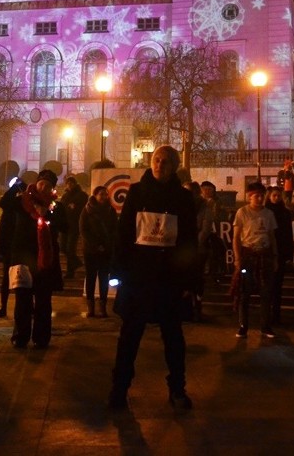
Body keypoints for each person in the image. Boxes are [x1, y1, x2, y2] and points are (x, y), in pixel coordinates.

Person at [108, 146, 198, 410]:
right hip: (139, 278)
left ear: (174, 166)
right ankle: (119, 388)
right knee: (129, 338)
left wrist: (188, 281)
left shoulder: (183, 199)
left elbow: (189, 241)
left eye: (166, 162)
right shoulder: (136, 193)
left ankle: (177, 389)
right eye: (157, 160)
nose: (160, 165)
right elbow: (123, 234)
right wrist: (118, 272)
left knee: (174, 340)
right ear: (150, 162)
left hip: (169, 280)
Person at [2, 169, 66, 349]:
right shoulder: (23, 202)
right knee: (22, 301)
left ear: (52, 188)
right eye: (41, 183)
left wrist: (52, 214)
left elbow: (65, 226)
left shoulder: (54, 207)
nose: (43, 186)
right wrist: (16, 186)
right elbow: (4, 203)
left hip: (44, 261)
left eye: (48, 185)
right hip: (22, 257)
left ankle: (41, 337)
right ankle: (20, 336)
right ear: (36, 184)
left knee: (43, 301)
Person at [231, 182, 278, 339]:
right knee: (245, 292)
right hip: (248, 256)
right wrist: (237, 258)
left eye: (261, 195)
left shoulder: (269, 214)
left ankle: (265, 326)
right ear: (249, 197)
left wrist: (275, 256)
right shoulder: (242, 213)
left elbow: (272, 237)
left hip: (264, 255)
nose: (259, 198)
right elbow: (236, 237)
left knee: (266, 292)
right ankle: (243, 325)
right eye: (256, 195)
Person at [79, 185, 118, 318]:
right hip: (90, 250)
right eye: (101, 194)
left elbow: (114, 229)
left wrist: (106, 245)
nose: (103, 196)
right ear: (95, 195)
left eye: (105, 194)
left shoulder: (110, 210)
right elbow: (83, 230)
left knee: (103, 278)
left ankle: (102, 307)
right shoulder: (87, 210)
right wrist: (95, 245)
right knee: (90, 277)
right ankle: (90, 308)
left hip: (105, 250)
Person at [0, 177, 26, 318]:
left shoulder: (25, 206)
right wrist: (14, 188)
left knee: (24, 278)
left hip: (22, 247)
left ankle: (25, 306)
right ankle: (3, 306)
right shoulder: (10, 206)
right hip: (9, 246)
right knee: (6, 278)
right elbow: (3, 202)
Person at [265, 185, 293, 326]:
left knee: (278, 285)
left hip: (280, 252)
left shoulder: (285, 212)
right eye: (274, 195)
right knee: (267, 285)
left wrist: (289, 252)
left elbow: (288, 233)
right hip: (267, 252)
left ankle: (276, 314)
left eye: (278, 195)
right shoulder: (265, 212)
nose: (276, 198)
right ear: (269, 197)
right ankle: (267, 314)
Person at [185, 180, 212, 321]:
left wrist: (194, 244)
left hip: (198, 249)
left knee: (197, 278)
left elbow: (205, 228)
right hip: (183, 250)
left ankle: (197, 307)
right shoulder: (182, 207)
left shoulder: (204, 207)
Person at [60, 176, 88, 279]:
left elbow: (82, 208)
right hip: (64, 225)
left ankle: (70, 272)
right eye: (68, 183)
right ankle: (76, 263)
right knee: (63, 247)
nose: (69, 185)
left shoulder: (81, 195)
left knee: (70, 248)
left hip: (74, 225)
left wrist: (73, 207)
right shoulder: (65, 195)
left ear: (75, 184)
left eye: (71, 183)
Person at [200, 181, 226, 283]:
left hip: (214, 232)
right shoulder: (198, 202)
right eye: (205, 189)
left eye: (210, 190)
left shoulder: (217, 202)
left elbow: (220, 215)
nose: (207, 192)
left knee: (215, 253)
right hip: (201, 231)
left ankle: (214, 273)